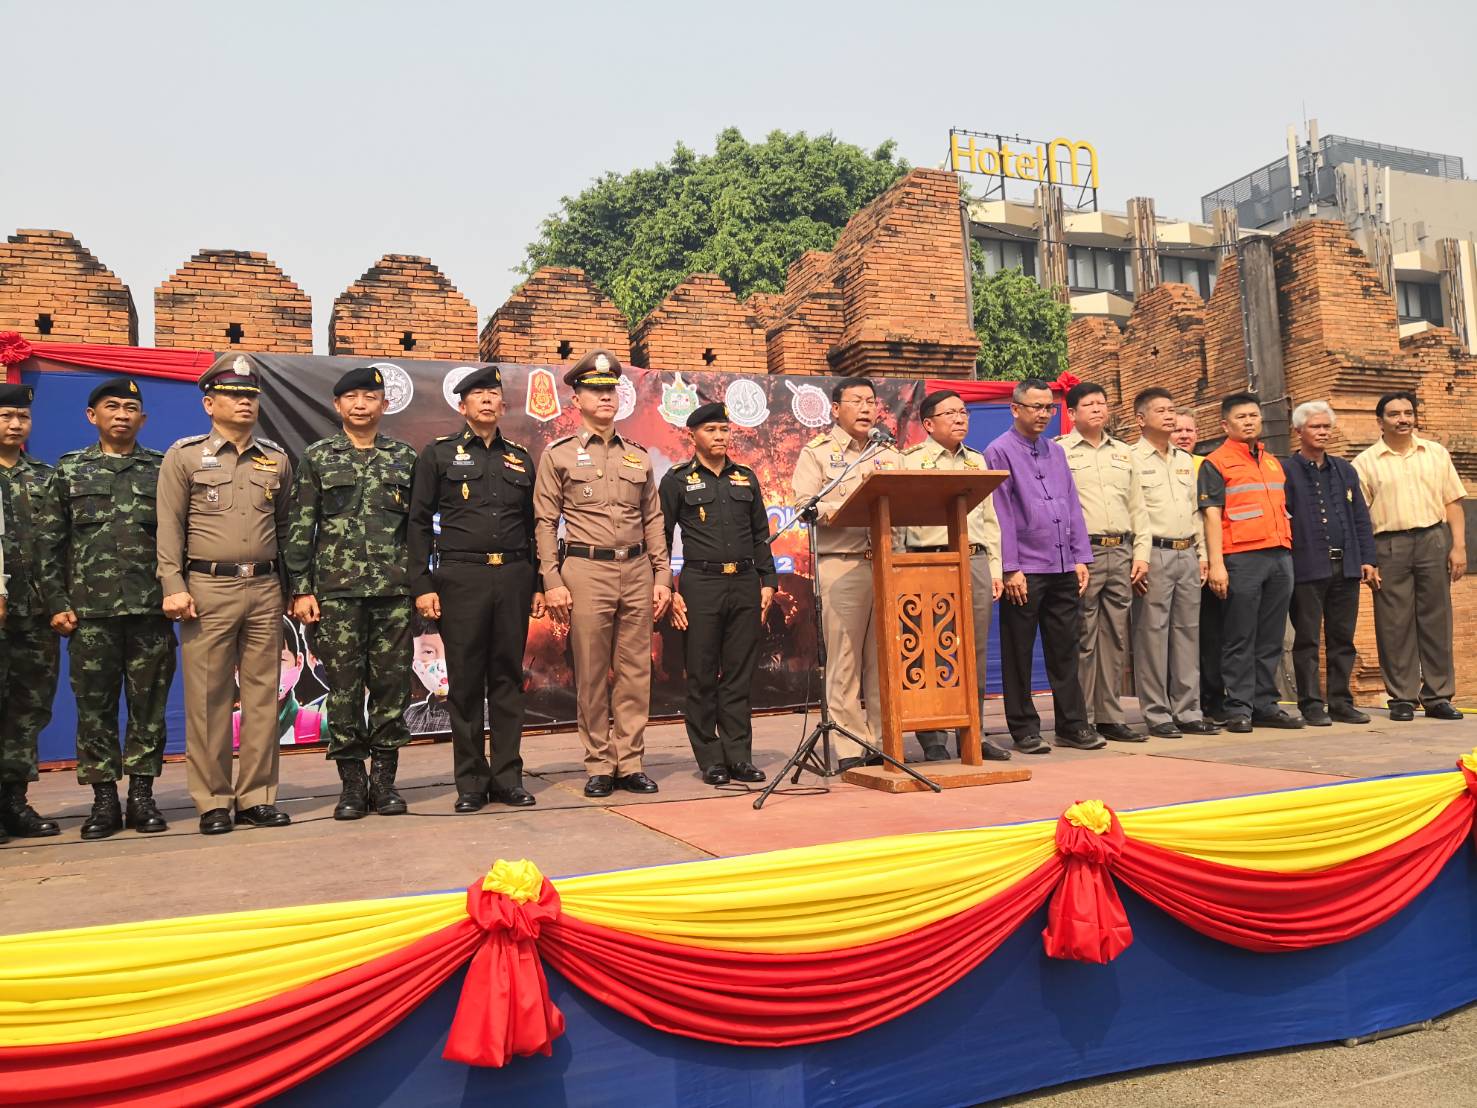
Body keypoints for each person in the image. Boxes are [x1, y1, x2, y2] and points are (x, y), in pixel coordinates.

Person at [156, 355, 293, 835]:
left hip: (265, 587)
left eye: (252, 396)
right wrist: (172, 585)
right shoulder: (186, 456)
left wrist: (294, 590)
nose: (245, 403)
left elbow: (287, 528)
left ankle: (257, 796)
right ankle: (213, 800)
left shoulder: (275, 459)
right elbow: (168, 526)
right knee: (209, 697)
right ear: (210, 402)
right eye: (235, 396)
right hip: (207, 588)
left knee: (261, 698)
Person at [533, 350, 670, 798]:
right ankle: (598, 763)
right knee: (592, 673)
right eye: (596, 390)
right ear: (578, 398)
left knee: (635, 672)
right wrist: (551, 580)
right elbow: (544, 522)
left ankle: (629, 762)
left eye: (611, 389)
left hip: (635, 570)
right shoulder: (558, 455)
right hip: (586, 570)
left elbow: (653, 520)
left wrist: (662, 576)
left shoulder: (638, 456)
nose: (606, 397)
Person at [42, 377, 175, 839]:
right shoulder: (69, 470)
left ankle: (142, 797)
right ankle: (103, 802)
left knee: (149, 708)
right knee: (94, 709)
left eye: (130, 408)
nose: (121, 414)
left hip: (150, 611)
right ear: (91, 416)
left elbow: (178, 540)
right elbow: (50, 542)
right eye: (111, 406)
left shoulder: (162, 470)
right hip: (89, 615)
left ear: (143, 418)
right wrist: (56, 602)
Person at [286, 365, 418, 820]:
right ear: (337, 406)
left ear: (384, 404)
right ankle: (350, 785)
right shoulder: (318, 457)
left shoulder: (405, 458)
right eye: (352, 398)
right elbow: (301, 526)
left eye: (370, 397)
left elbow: (418, 532)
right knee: (343, 690)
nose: (361, 405)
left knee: (390, 689)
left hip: (393, 594)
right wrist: (301, 590)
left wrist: (421, 586)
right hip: (336, 595)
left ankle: (384, 785)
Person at [410, 364, 542, 811]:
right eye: (477, 394)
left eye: (493, 394)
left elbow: (533, 525)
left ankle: (508, 777)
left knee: (507, 678)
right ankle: (470, 782)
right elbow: (418, 523)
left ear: (503, 405)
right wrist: (423, 583)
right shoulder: (440, 454)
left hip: (513, 575)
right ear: (462, 405)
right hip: (460, 577)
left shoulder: (520, 457)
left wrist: (539, 582)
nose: (487, 400)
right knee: (465, 682)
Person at [660, 401, 775, 785]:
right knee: (703, 674)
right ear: (691, 436)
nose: (720, 436)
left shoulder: (745, 477)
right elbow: (660, 538)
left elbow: (761, 534)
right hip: (700, 584)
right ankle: (710, 757)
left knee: (740, 674)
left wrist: (768, 582)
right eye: (711, 430)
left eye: (724, 430)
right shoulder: (677, 480)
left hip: (744, 583)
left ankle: (739, 756)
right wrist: (668, 589)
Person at [985, 378, 1103, 753]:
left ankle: (1072, 724)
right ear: (1015, 408)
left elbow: (1071, 505)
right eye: (1035, 406)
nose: (1043, 414)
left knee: (1065, 648)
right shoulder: (998, 451)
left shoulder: (1056, 451)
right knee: (1019, 652)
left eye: (1048, 407)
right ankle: (1024, 729)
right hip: (1026, 569)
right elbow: (999, 512)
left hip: (1062, 564)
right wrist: (1010, 567)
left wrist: (1081, 556)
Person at [791, 377, 902, 771]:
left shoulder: (887, 453)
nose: (867, 408)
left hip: (886, 564)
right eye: (856, 401)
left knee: (883, 659)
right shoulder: (818, 453)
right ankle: (850, 746)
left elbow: (906, 504)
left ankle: (881, 739)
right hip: (843, 562)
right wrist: (850, 503)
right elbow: (806, 504)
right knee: (845, 661)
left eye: (871, 401)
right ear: (836, 409)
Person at [899, 389, 1011, 762]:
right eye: (950, 413)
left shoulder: (977, 463)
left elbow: (991, 521)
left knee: (972, 653)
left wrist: (995, 569)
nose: (960, 418)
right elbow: (897, 521)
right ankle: (933, 736)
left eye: (963, 412)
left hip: (974, 561)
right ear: (928, 424)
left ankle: (972, 732)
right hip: (928, 563)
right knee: (928, 650)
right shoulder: (910, 462)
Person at [1353, 391, 1467, 722]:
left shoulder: (1435, 453)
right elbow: (1360, 517)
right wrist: (1368, 558)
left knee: (1436, 619)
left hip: (1433, 538)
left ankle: (1438, 696)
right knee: (1394, 623)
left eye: (1408, 412)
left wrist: (1458, 546)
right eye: (1394, 414)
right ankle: (1402, 697)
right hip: (1388, 544)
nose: (1403, 419)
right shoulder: (1365, 463)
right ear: (1380, 422)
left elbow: (1453, 502)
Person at [1198, 392, 1301, 733]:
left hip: (1279, 555)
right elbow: (1212, 516)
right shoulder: (1216, 462)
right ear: (1225, 424)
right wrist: (1217, 564)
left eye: (1254, 416)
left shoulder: (1272, 462)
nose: (1249, 422)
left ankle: (1265, 704)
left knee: (1270, 637)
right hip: (1241, 558)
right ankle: (1239, 706)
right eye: (1241, 417)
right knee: (1240, 636)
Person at [1058, 381, 1149, 742]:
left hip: (1122, 549)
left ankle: (1111, 715)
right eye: (1089, 404)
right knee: (1083, 635)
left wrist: (1141, 553)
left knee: (1115, 635)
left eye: (1102, 403)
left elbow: (1138, 507)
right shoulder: (1059, 452)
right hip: (1084, 552)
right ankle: (1083, 716)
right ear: (1072, 413)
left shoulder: (1125, 454)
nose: (1097, 409)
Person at [1282, 401, 1377, 726]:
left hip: (1346, 567)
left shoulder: (1345, 470)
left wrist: (1368, 559)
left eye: (1326, 427)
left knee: (1342, 638)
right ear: (1299, 431)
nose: (1322, 432)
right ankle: (1311, 704)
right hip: (1307, 568)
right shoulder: (1286, 471)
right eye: (1315, 427)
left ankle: (1341, 702)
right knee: (1307, 639)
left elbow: (1360, 519)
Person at [1129, 388, 1216, 738]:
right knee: (1152, 634)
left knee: (1187, 633)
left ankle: (1188, 709)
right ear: (1140, 419)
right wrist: (1140, 557)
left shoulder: (1184, 460)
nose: (1169, 416)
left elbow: (1195, 511)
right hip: (1155, 553)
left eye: (1171, 410)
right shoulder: (1130, 458)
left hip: (1187, 552)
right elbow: (1135, 513)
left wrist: (1203, 553)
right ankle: (1157, 712)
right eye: (1161, 410)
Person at [0, 383, 61, 841]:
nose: (14, 424)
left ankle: (13, 803)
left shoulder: (45, 477)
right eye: (5, 416)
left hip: (35, 613)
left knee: (28, 709)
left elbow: (61, 546)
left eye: (21, 417)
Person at [1174, 408, 1224, 721]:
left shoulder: (1205, 466)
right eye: (1177, 430)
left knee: (1210, 634)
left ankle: (1212, 698)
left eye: (1189, 430)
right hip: (1172, 557)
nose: (1183, 436)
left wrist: (1210, 558)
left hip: (1207, 559)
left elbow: (1210, 516)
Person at [405, 616, 452, 735]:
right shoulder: (409, 716)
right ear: (415, 664)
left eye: (449, 649)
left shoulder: (487, 714)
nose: (440, 663)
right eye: (428, 652)